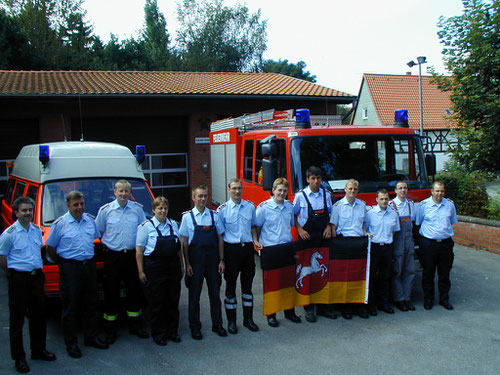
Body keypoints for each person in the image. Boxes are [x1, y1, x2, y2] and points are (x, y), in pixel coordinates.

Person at [46, 191, 109, 359]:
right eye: (75, 205)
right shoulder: (60, 224)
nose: (79, 207)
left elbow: (95, 239)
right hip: (70, 268)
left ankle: (91, 337)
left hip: (88, 266)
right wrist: (63, 264)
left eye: (81, 204)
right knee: (70, 307)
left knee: (92, 304)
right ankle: (71, 343)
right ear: (68, 206)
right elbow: (51, 248)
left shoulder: (90, 220)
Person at [0, 197, 56, 373]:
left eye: (30, 210)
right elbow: (2, 259)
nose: (28, 213)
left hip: (36, 278)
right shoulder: (8, 234)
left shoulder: (36, 230)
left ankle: (38, 350)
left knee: (38, 316)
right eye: (24, 210)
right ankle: (19, 358)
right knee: (17, 321)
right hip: (19, 280)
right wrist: (13, 274)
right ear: (16, 213)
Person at [95, 180, 149, 344]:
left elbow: (143, 229)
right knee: (111, 293)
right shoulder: (106, 211)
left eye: (126, 191)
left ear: (130, 192)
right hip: (113, 256)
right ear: (115, 192)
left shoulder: (137, 210)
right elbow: (99, 230)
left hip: (131, 256)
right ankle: (111, 330)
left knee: (134, 291)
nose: (124, 194)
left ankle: (136, 327)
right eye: (121, 191)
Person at [180, 185, 227, 340]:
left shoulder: (214, 216)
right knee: (194, 296)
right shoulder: (187, 217)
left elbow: (220, 238)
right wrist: (187, 264)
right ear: (193, 198)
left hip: (213, 261)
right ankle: (195, 327)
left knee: (215, 294)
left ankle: (217, 324)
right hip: (196, 261)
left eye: (205, 196)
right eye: (199, 196)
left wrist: (221, 260)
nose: (202, 199)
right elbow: (184, 243)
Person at [136, 196, 184, 346]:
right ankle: (159, 333)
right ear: (153, 210)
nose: (163, 211)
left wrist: (182, 265)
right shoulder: (146, 227)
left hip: (172, 268)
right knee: (157, 303)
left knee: (172, 301)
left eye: (165, 208)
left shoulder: (174, 225)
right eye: (159, 208)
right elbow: (139, 251)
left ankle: (173, 332)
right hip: (154, 269)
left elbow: (179, 249)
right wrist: (141, 271)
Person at [255, 177, 301, 328]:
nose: (282, 193)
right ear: (273, 190)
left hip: (286, 248)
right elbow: (256, 226)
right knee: (272, 284)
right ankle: (271, 314)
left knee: (288, 282)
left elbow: (294, 220)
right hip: (271, 249)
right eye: (279, 190)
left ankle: (289, 312)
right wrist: (256, 242)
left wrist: (300, 228)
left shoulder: (289, 206)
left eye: (284, 191)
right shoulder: (263, 208)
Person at [293, 166, 335, 322]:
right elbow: (292, 215)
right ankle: (308, 308)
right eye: (313, 178)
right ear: (307, 179)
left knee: (323, 273)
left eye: (318, 178)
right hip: (306, 240)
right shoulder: (300, 197)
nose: (316, 181)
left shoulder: (326, 195)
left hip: (323, 240)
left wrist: (329, 227)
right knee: (308, 274)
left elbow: (331, 214)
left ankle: (323, 307)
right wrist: (299, 229)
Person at [217, 179, 259, 334]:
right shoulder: (222, 210)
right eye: (234, 188)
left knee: (247, 287)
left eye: (239, 188)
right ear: (228, 189)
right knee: (230, 288)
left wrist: (255, 241)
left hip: (247, 251)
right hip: (231, 251)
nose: (237, 191)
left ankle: (248, 320)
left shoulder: (250, 207)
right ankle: (232, 322)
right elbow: (220, 236)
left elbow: (253, 227)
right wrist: (221, 259)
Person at [415, 181, 458, 310]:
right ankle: (428, 300)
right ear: (432, 191)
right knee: (428, 273)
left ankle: (444, 299)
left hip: (445, 244)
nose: (440, 193)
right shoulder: (423, 205)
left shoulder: (450, 205)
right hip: (428, 244)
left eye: (442, 191)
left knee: (444, 274)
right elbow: (419, 221)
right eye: (437, 191)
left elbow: (452, 221)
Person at [329, 179, 368, 319]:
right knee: (345, 277)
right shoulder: (337, 206)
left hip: (359, 244)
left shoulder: (363, 206)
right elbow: (333, 227)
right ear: (345, 189)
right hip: (343, 243)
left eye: (355, 189)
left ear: (358, 191)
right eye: (350, 188)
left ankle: (359, 306)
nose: (352, 191)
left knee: (358, 275)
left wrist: (365, 235)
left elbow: (364, 225)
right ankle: (346, 307)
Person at [364, 189, 400, 315]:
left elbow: (394, 231)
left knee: (385, 277)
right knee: (372, 277)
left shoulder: (393, 214)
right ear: (376, 199)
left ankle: (384, 304)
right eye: (382, 199)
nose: (384, 201)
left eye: (386, 199)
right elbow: (365, 229)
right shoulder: (370, 214)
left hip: (388, 247)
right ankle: (371, 305)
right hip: (374, 248)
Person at [389, 181, 416, 311]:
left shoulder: (411, 205)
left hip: (409, 241)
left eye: (405, 188)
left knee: (410, 270)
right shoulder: (391, 205)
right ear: (395, 190)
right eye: (400, 188)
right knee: (397, 271)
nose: (403, 190)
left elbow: (414, 222)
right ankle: (399, 299)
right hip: (398, 241)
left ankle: (407, 298)